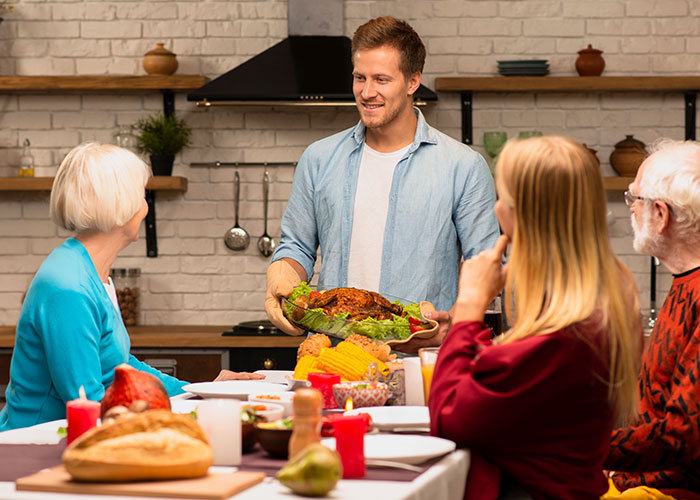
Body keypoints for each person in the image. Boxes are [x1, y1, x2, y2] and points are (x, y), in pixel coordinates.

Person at [429, 136, 642, 500]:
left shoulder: (565, 335)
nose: (497, 211)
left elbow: (449, 417)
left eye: (503, 200)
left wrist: (468, 307)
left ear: (524, 217)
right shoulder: (610, 291)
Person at [265, 16, 500, 339]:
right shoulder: (319, 159)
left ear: (413, 82)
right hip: (335, 355)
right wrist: (281, 277)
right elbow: (297, 246)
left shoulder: (463, 166)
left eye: (381, 80)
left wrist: (457, 322)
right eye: (359, 78)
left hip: (421, 358)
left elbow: (486, 264)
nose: (366, 92)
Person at [0, 143, 260, 432]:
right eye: (142, 195)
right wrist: (182, 415)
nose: (145, 207)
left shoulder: (91, 271)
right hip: (36, 443)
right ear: (120, 206)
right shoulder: (69, 287)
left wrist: (199, 392)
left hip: (74, 436)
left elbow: (121, 369)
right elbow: (86, 399)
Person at [604, 140, 700, 500]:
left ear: (660, 215)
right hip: (641, 479)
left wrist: (579, 448)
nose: (631, 209)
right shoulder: (684, 280)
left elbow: (681, 436)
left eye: (635, 199)